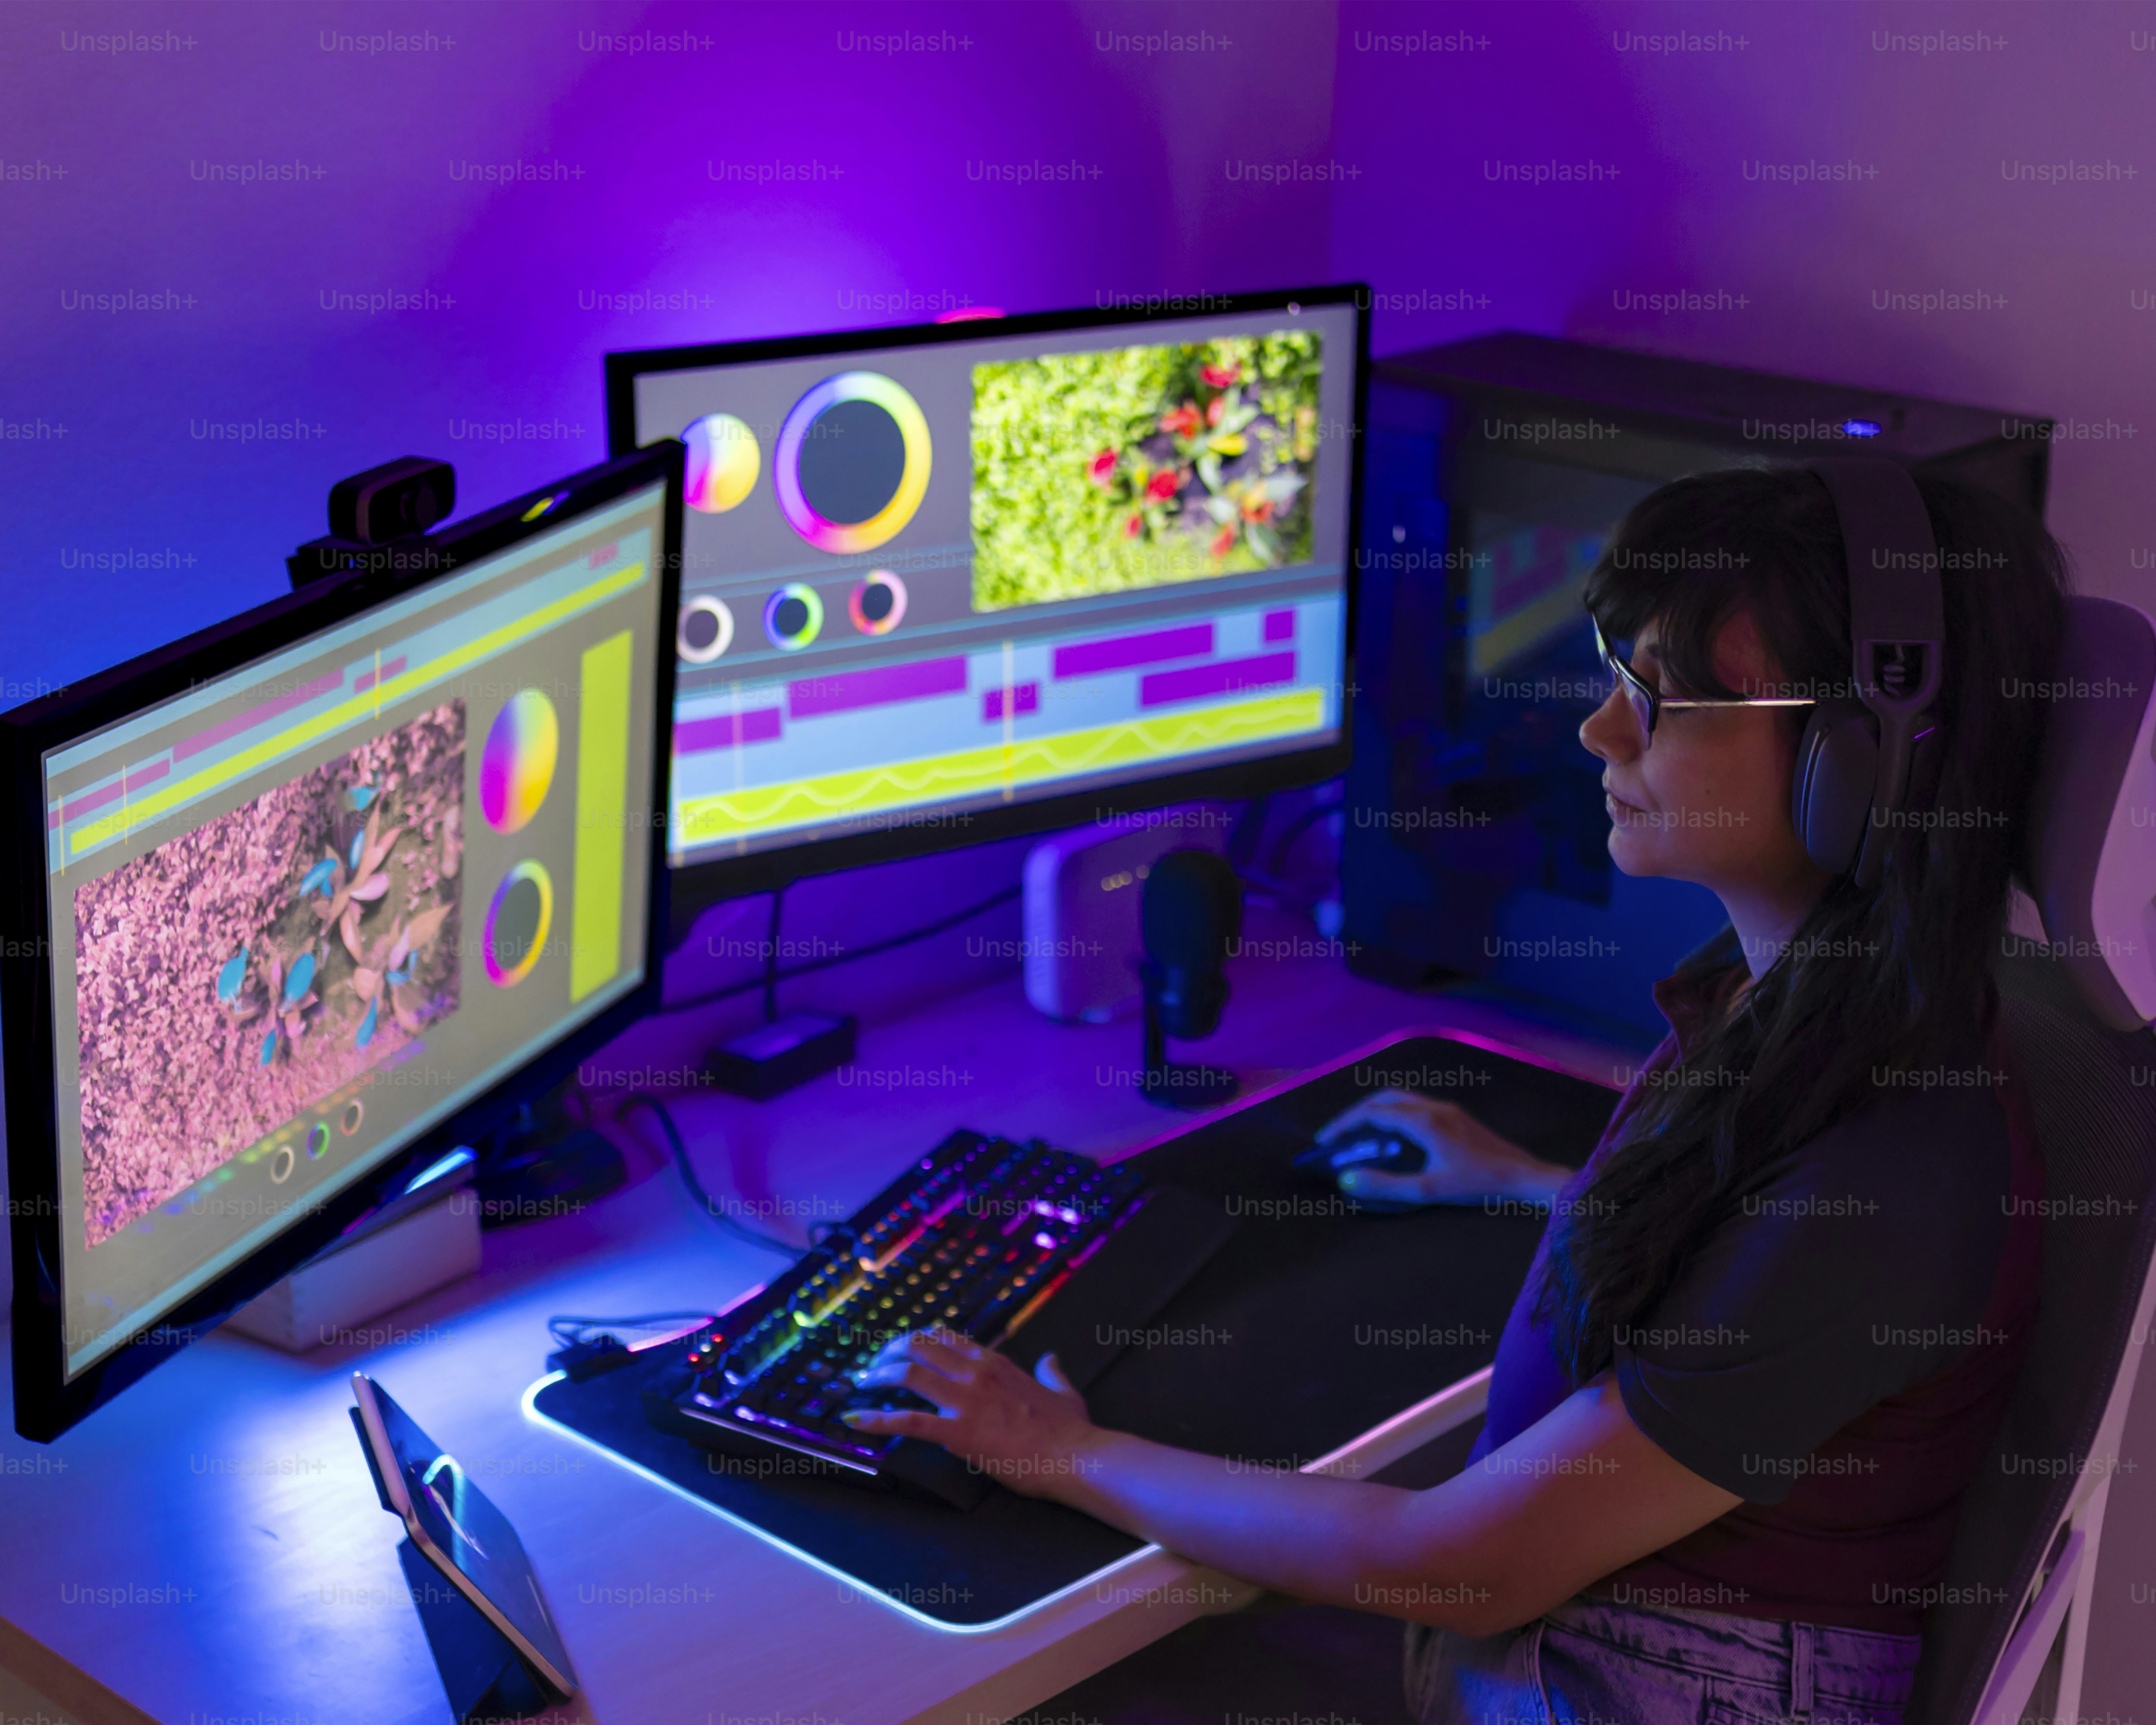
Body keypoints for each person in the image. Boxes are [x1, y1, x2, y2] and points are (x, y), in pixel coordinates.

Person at [842, 466, 2069, 1725]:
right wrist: (1532, 1182)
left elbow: (1458, 1568)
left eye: (1662, 698)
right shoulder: (1792, 1002)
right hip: (1592, 1616)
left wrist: (1060, 1451)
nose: (1601, 731)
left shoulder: (1890, 1166)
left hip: (1635, 1683)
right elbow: (1750, 1266)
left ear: (1856, 761)